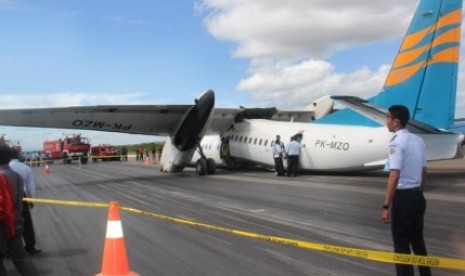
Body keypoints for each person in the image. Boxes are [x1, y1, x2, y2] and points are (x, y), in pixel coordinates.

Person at [381, 105, 431, 276]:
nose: (386, 121)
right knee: (418, 242)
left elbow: (394, 175)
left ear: (396, 121)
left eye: (387, 117)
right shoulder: (418, 140)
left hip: (404, 199)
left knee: (402, 245)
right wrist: (419, 192)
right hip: (417, 196)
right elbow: (424, 172)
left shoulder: (396, 142)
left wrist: (386, 206)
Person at [0, 145, 40, 276]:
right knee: (21, 259)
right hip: (16, 223)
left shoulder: (1, 177)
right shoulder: (17, 175)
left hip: (3, 226)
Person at [9, 149, 41, 255]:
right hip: (21, 197)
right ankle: (30, 247)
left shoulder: (4, 167)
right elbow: (30, 186)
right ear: (17, 156)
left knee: (7, 223)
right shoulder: (25, 168)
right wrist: (31, 200)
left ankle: (9, 250)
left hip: (6, 197)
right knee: (26, 222)